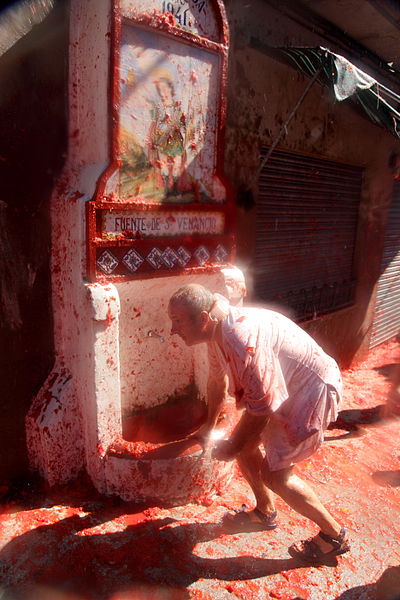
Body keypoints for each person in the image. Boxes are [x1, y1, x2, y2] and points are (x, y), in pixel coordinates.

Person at [168, 283, 350, 565]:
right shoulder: (216, 329)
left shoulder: (240, 338)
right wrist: (210, 425)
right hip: (283, 389)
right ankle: (265, 512)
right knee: (246, 446)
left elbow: (262, 407)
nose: (172, 330)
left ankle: (333, 535)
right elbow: (217, 380)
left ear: (203, 318)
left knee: (276, 475)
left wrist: (231, 446)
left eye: (177, 322)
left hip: (311, 391)